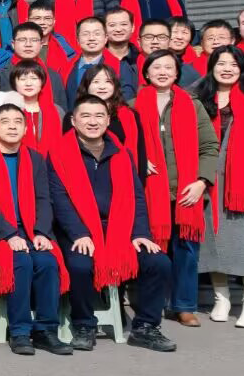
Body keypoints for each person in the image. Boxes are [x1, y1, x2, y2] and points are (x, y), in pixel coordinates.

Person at [49, 95, 176, 352]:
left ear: (108, 120)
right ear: (73, 121)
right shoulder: (58, 153)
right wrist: (79, 233)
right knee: (80, 265)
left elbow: (137, 197)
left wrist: (140, 233)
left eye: (99, 116)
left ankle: (145, 327)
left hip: (120, 229)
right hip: (78, 230)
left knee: (159, 262)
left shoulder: (122, 153)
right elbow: (58, 199)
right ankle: (84, 324)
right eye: (85, 116)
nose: (92, 121)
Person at [0, 104, 70, 355]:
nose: (12, 126)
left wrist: (41, 232)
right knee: (21, 262)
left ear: (26, 129)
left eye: (18, 122)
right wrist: (9, 235)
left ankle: (46, 330)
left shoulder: (35, 159)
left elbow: (44, 199)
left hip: (31, 230)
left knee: (47, 262)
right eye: (5, 121)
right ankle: (20, 331)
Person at [188, 47, 244, 328]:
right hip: (207, 179)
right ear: (211, 67)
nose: (227, 69)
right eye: (221, 63)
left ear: (242, 68)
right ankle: (222, 298)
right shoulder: (196, 97)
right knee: (214, 240)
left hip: (243, 182)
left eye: (233, 64)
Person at [136, 50, 221, 328]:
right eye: (156, 67)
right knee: (153, 251)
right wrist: (138, 159)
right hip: (150, 192)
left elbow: (210, 146)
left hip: (187, 191)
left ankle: (184, 306)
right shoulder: (133, 105)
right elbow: (121, 142)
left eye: (168, 67)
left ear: (176, 73)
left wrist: (201, 181)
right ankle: (153, 304)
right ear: (146, 73)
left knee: (186, 251)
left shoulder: (192, 105)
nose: (162, 72)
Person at [61, 18, 139, 108]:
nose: (91, 38)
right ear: (77, 39)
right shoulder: (65, 68)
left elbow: (126, 100)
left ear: (106, 38)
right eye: (85, 34)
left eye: (97, 34)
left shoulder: (121, 67)